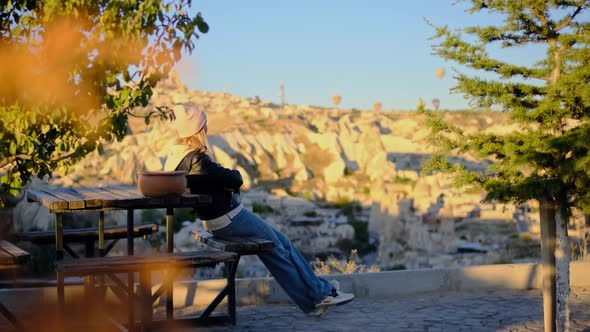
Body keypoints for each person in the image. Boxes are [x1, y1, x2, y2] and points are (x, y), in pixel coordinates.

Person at [164, 104, 355, 316]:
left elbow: (220, 180)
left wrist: (224, 181)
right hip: (231, 218)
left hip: (216, 220)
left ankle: (316, 297)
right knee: (279, 249)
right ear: (198, 130)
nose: (207, 127)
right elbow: (235, 178)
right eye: (204, 124)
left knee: (281, 245)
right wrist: (228, 180)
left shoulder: (176, 158)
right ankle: (320, 294)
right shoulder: (198, 160)